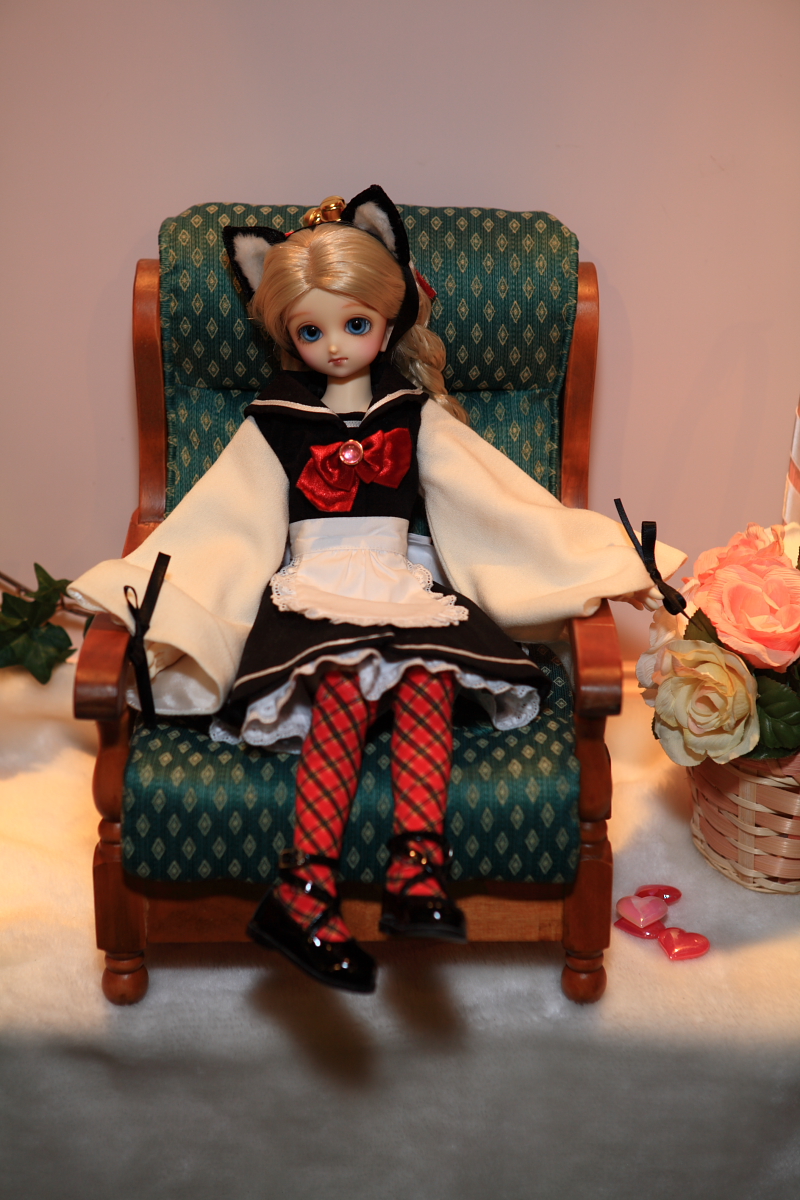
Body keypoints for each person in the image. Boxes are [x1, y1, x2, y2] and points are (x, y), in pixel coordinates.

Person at [70, 186, 684, 995]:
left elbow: (497, 502)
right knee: (341, 690)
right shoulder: (276, 421)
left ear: (387, 324)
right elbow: (221, 518)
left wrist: (613, 562)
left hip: (403, 580)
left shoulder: (413, 412)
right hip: (314, 586)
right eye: (311, 330)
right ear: (288, 336)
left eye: (353, 325)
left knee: (430, 679)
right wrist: (132, 593)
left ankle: (416, 869)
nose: (334, 346)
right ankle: (305, 890)